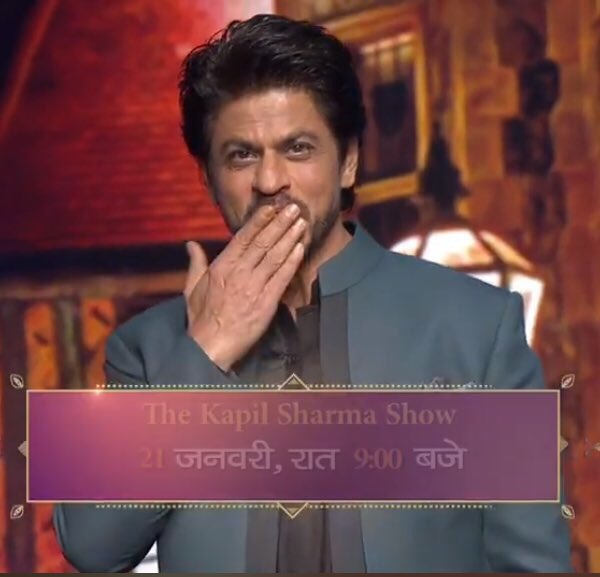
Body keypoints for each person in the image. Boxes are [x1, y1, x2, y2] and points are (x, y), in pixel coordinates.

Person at [53, 14, 572, 573]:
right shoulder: (148, 348)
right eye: (241, 155)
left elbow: (533, 566)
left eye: (297, 148)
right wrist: (205, 352)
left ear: (347, 161)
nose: (269, 181)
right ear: (207, 177)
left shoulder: (476, 328)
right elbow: (92, 547)